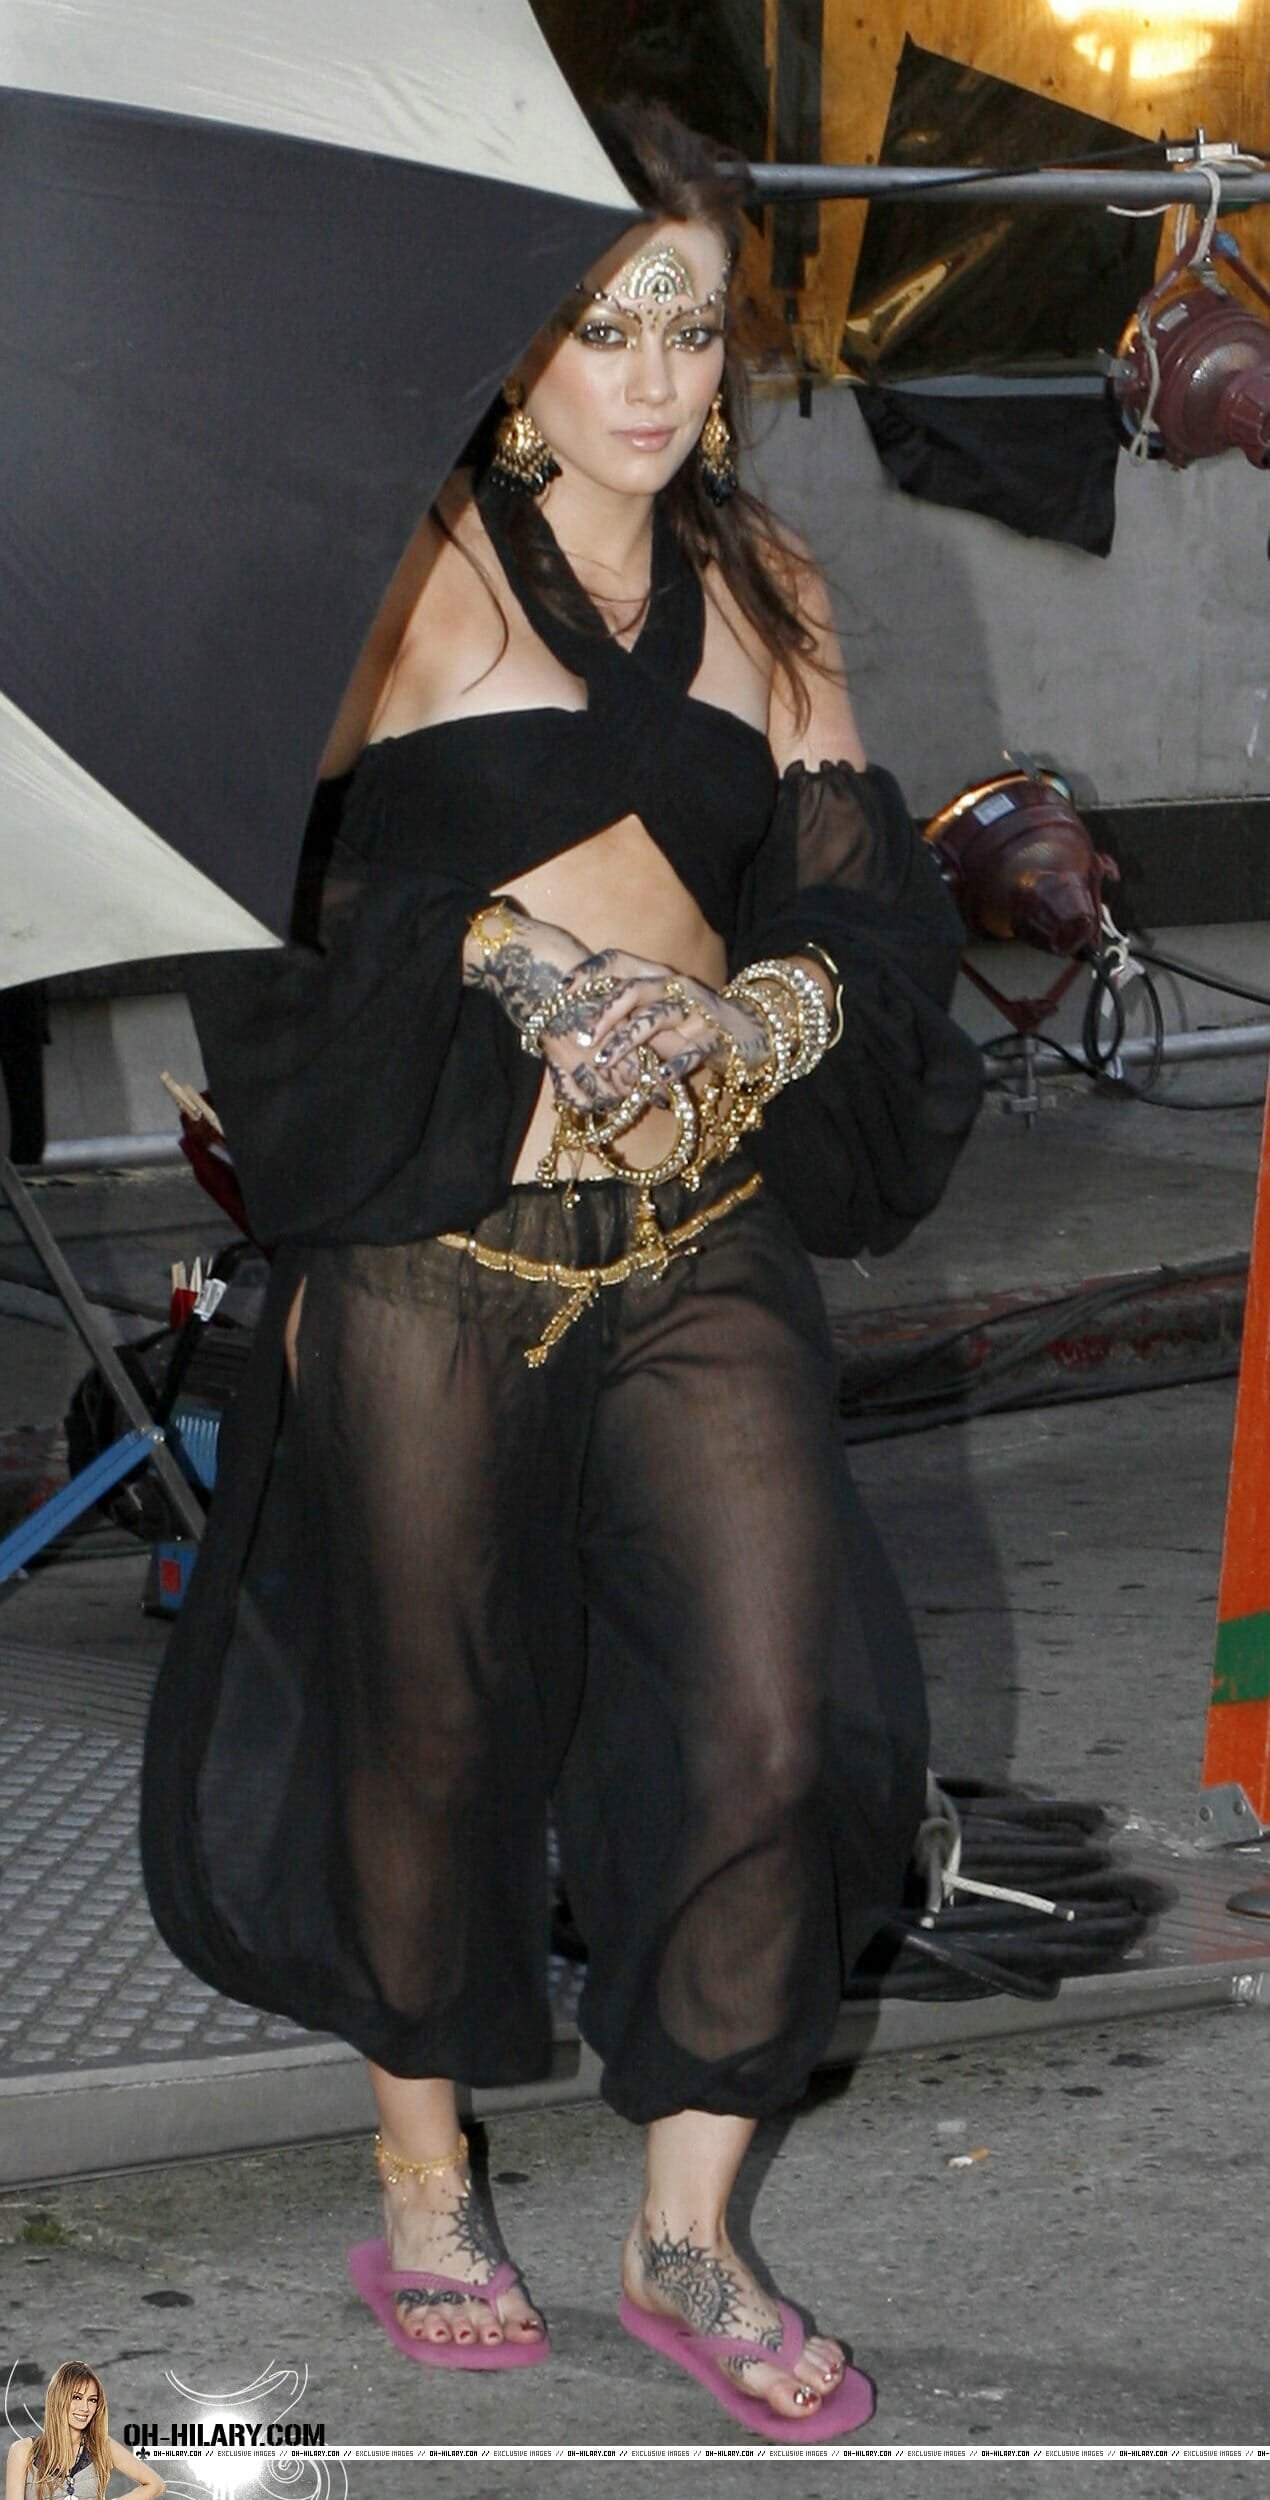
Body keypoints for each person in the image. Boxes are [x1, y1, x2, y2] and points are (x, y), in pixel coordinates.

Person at [141, 101, 981, 2440]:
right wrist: (515, 961)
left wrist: (754, 1017)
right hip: (436, 1251)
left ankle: (682, 2232)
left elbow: (863, 902)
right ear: (514, 342)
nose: (655, 373)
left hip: (692, 1243)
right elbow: (272, 877)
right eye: (606, 323)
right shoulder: (401, 559)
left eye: (693, 323)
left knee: (776, 1716)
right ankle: (423, 2180)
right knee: (427, 1725)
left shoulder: (765, 584)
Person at [5, 2365, 164, 2500]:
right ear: (58, 2398)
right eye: (76, 2397)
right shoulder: (23, 2450)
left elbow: (156, 2484)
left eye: (92, 2400)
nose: (85, 2408)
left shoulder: (102, 2446)